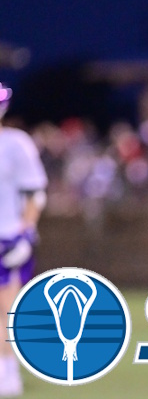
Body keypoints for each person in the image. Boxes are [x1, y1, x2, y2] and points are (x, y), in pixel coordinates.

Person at [0, 82, 48, 397]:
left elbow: (35, 194)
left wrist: (24, 234)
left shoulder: (16, 143)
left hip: (7, 236)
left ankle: (8, 372)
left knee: (6, 307)